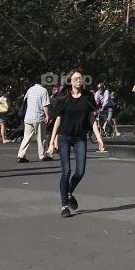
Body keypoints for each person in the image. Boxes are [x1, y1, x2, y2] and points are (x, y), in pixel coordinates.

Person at [47, 70, 106, 215]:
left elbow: (92, 118)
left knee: (80, 171)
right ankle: (64, 207)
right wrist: (51, 141)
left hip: (80, 137)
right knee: (66, 171)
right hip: (65, 137)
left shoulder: (88, 96)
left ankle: (68, 192)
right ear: (70, 81)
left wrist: (99, 138)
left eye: (81, 78)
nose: (79, 80)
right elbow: (58, 120)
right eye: (76, 78)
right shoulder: (64, 97)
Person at [17, 77, 51, 163]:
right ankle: (43, 155)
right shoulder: (44, 91)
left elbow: (25, 101)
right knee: (41, 137)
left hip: (28, 117)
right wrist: (47, 115)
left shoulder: (30, 90)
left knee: (26, 137)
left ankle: (21, 155)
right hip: (38, 117)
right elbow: (45, 105)